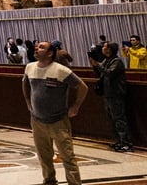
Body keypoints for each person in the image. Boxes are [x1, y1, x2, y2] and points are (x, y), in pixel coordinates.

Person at [23, 41, 87, 185]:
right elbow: (25, 84)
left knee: (67, 156)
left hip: (58, 121)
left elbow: (82, 87)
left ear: (50, 53)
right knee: (44, 155)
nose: (37, 49)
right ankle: (49, 180)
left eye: (41, 47)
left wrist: (75, 106)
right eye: (37, 47)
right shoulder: (29, 67)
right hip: (37, 121)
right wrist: (28, 101)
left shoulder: (60, 70)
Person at [89, 42, 132, 152]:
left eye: (104, 47)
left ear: (110, 49)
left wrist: (98, 64)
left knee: (119, 119)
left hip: (116, 94)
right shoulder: (106, 61)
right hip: (107, 94)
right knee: (112, 119)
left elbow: (109, 73)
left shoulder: (116, 61)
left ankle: (126, 143)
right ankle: (118, 141)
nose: (103, 49)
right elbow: (101, 74)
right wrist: (94, 66)